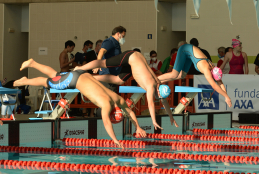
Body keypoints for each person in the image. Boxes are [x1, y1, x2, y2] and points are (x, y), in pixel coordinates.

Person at [14, 59, 147, 149]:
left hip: (82, 74)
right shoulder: (106, 105)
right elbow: (106, 123)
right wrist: (115, 140)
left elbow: (129, 111)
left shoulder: (117, 99)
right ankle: (25, 81)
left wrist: (138, 127)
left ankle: (33, 63)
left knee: (56, 75)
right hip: (75, 79)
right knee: (47, 82)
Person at [74, 51, 179, 129]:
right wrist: (154, 121)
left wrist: (171, 117)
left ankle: (91, 77)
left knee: (119, 80)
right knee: (103, 63)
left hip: (135, 62)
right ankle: (80, 68)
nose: (158, 99)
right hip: (131, 56)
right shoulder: (151, 85)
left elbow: (164, 101)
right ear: (158, 91)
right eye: (159, 97)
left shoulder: (158, 85)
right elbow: (150, 104)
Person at [157, 44, 232, 108]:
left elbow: (220, 83)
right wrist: (227, 97)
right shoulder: (206, 70)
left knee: (181, 75)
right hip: (185, 49)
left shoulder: (213, 68)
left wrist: (226, 96)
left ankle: (160, 81)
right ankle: (155, 79)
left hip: (189, 54)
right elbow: (214, 85)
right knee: (174, 74)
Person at [94, 26, 126, 93]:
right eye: (123, 36)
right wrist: (97, 64)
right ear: (118, 34)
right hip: (107, 77)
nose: (123, 38)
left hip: (113, 77)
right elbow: (101, 51)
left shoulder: (116, 44)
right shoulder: (110, 41)